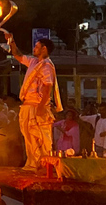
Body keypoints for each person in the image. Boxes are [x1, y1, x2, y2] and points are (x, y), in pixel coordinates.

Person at [4, 35, 62, 172]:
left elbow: (48, 87)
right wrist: (11, 40)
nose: (34, 49)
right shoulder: (34, 62)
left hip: (37, 106)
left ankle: (44, 167)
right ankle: (32, 164)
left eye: (36, 46)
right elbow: (18, 55)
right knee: (29, 137)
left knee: (41, 138)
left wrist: (41, 107)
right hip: (27, 105)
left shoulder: (47, 65)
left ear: (44, 48)